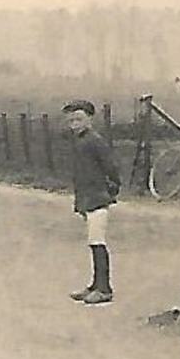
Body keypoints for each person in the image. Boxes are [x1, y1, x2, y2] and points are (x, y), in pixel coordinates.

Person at [65, 99, 121, 304]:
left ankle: (104, 289)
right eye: (71, 120)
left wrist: (111, 189)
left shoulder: (95, 141)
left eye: (79, 119)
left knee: (98, 242)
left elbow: (111, 168)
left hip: (98, 197)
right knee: (92, 241)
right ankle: (95, 284)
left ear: (90, 119)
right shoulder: (80, 142)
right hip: (87, 198)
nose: (75, 124)